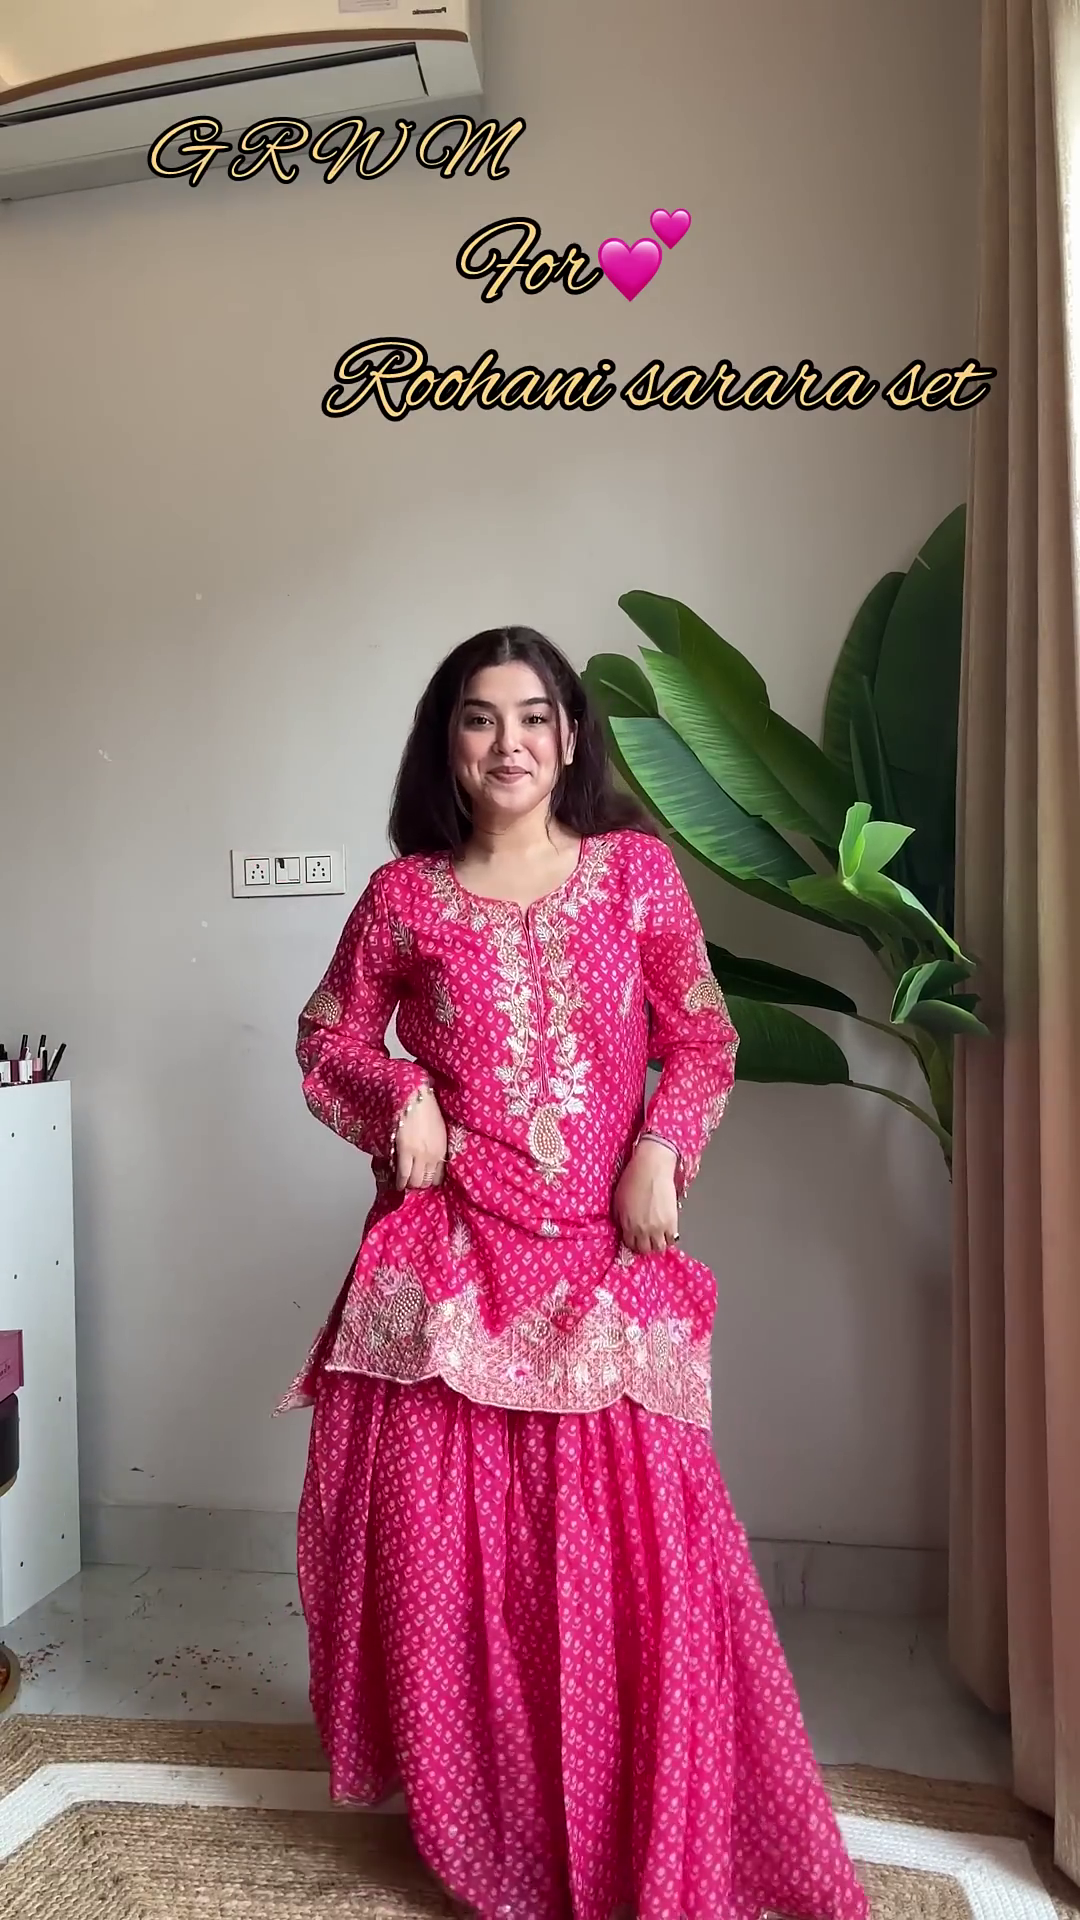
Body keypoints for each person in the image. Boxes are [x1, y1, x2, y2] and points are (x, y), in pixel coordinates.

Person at [278, 625, 869, 1920]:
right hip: (452, 1266)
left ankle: (628, 1816)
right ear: (446, 743)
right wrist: (399, 1091)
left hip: (601, 1258)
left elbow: (701, 1038)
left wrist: (662, 1145)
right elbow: (325, 1041)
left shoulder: (635, 876)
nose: (511, 743)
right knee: (456, 1562)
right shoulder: (404, 898)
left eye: (535, 715)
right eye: (480, 718)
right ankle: (485, 1824)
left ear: (571, 737)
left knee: (634, 1558)